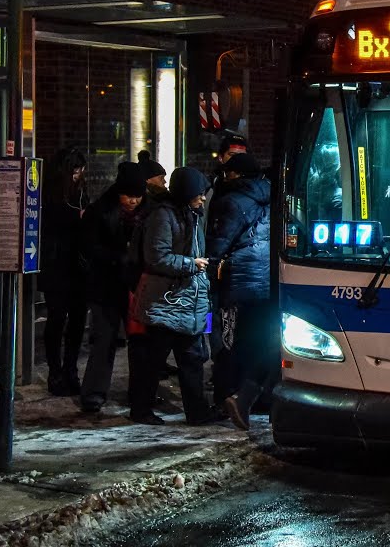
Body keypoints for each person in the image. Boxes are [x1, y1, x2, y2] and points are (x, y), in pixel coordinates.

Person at [129, 166, 222, 426]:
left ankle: (198, 412)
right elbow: (157, 257)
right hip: (166, 301)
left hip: (187, 301)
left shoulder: (190, 214)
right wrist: (191, 264)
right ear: (187, 192)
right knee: (154, 359)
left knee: (193, 358)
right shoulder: (163, 216)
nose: (203, 198)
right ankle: (141, 409)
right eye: (200, 193)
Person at [208, 154, 275, 430]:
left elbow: (219, 243)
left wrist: (210, 271)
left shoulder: (232, 201)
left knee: (231, 341)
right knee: (259, 339)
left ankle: (227, 395)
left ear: (236, 175)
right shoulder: (273, 196)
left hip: (239, 281)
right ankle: (252, 396)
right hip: (267, 280)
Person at [78, 162, 147, 414]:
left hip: (134, 287)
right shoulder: (100, 211)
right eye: (129, 196)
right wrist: (119, 256)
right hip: (105, 286)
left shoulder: (147, 213)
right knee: (104, 340)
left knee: (139, 343)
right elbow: (89, 247)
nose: (133, 201)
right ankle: (94, 393)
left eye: (138, 196)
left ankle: (140, 394)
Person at [40, 147, 90, 396]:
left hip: (75, 265)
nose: (78, 174)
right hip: (57, 264)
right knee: (58, 318)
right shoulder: (50, 195)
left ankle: (69, 370)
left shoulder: (80, 194)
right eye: (75, 169)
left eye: (80, 170)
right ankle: (56, 371)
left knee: (76, 319)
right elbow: (53, 223)